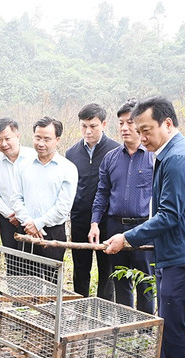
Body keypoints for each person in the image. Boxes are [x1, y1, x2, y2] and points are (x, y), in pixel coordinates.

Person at [104, 97, 185, 358]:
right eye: (138, 130)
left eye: (147, 130)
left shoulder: (179, 158)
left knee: (175, 319)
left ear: (168, 124)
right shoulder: (167, 154)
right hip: (173, 248)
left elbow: (169, 215)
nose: (142, 137)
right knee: (167, 315)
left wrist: (126, 238)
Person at [89, 99, 155, 313]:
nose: (125, 128)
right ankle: (127, 327)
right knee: (120, 279)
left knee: (146, 283)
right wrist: (95, 222)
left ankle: (145, 330)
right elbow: (102, 192)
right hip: (115, 226)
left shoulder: (154, 158)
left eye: (130, 122)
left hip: (144, 228)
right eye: (121, 123)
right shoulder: (111, 158)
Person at [10, 116, 77, 279]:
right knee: (24, 280)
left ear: (57, 140)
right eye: (37, 137)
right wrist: (29, 223)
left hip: (52, 233)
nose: (41, 143)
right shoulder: (22, 165)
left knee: (51, 281)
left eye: (47, 139)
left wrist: (39, 223)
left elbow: (63, 207)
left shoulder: (67, 168)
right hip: (26, 230)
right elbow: (15, 198)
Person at [65, 103, 119, 299]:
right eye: (84, 126)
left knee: (107, 270)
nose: (88, 131)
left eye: (93, 126)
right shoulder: (71, 153)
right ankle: (80, 310)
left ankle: (102, 313)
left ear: (104, 124)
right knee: (80, 268)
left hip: (107, 220)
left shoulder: (115, 151)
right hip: (79, 218)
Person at [0, 118, 36, 252]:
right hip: (8, 220)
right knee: (12, 260)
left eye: (7, 138)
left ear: (17, 136)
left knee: (33, 259)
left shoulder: (33, 157)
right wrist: (10, 215)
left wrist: (24, 215)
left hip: (31, 219)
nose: (3, 144)